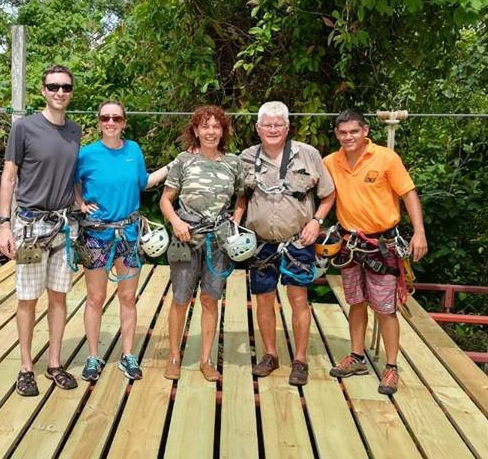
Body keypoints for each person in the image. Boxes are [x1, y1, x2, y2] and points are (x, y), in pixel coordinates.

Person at [322, 109, 427, 395]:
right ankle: (357, 356)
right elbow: (319, 193)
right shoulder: (331, 162)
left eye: (353, 131)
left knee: (385, 307)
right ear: (336, 135)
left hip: (382, 243)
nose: (348, 137)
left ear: (365, 131)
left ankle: (391, 367)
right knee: (355, 302)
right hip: (350, 243)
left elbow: (408, 193)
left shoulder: (386, 158)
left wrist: (419, 232)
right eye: (342, 133)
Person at [232, 101, 336, 386]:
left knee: (299, 299)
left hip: (298, 241)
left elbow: (328, 194)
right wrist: (235, 227)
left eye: (279, 125)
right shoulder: (247, 158)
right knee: (263, 299)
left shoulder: (308, 155)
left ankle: (300, 359)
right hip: (261, 242)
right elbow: (241, 196)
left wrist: (316, 221)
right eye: (267, 125)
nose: (273, 129)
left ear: (288, 128)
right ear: (258, 128)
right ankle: (269, 354)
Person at [0, 65, 81, 397]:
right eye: (54, 86)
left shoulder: (74, 131)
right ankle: (26, 366)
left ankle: (55, 363)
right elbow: (9, 176)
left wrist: (80, 203)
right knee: (28, 298)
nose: (60, 92)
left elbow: (71, 176)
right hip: (29, 225)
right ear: (43, 90)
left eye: (66, 87)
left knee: (59, 297)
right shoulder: (24, 128)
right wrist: (5, 224)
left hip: (62, 226)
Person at [73, 101, 169, 382]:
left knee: (128, 297)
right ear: (99, 121)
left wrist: (174, 165)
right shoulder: (86, 154)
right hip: (96, 233)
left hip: (127, 234)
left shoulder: (133, 150)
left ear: (124, 122)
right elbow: (70, 182)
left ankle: (128, 355)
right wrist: (80, 203)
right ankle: (93, 356)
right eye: (105, 117)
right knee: (96, 297)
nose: (111, 122)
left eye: (116, 118)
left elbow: (144, 182)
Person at [159, 105, 244, 382]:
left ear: (223, 131)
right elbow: (165, 199)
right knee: (181, 298)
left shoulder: (233, 162)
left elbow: (242, 197)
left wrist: (235, 222)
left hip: (217, 241)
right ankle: (174, 356)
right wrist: (176, 222)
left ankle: (206, 360)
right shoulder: (183, 160)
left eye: (216, 127)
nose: (211, 131)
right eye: (205, 126)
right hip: (184, 239)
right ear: (196, 130)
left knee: (210, 298)